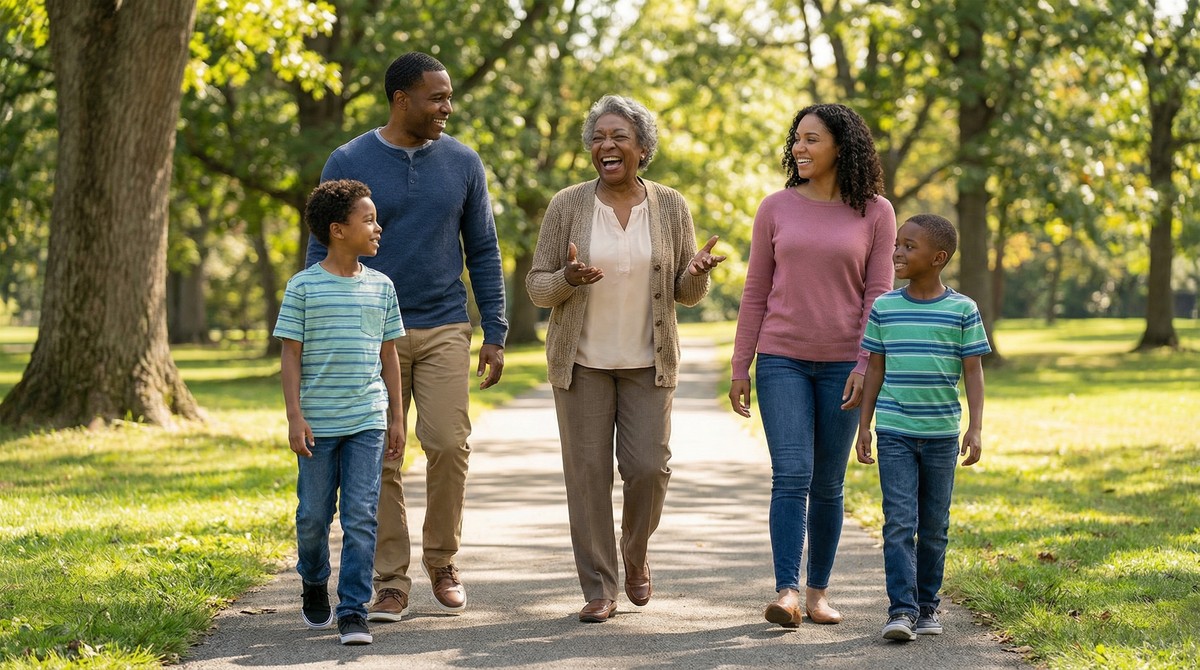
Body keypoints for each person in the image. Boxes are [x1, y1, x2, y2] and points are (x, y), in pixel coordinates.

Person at [307, 52, 508, 621]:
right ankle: (390, 579)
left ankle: (443, 559)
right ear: (402, 100)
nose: (448, 106)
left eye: (448, 96)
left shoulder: (463, 162)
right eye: (437, 97)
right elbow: (321, 245)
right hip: (367, 330)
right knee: (382, 458)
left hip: (444, 322)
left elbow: (484, 250)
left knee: (448, 442)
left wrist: (495, 327)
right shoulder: (349, 158)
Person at [526, 95, 726, 623]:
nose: (606, 146)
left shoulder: (670, 205)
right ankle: (599, 587)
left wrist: (699, 270)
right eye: (598, 137)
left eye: (618, 137)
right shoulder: (567, 204)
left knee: (647, 469)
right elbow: (538, 288)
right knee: (588, 474)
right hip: (582, 362)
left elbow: (684, 292)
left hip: (647, 362)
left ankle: (634, 551)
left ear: (642, 148)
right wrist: (568, 279)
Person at [729, 103, 896, 628]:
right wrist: (741, 365)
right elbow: (755, 290)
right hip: (782, 359)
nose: (799, 148)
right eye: (796, 139)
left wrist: (865, 362)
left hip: (846, 362)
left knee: (828, 482)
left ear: (841, 147)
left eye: (812, 139)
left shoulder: (876, 212)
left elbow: (879, 292)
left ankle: (818, 591)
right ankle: (787, 591)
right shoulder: (775, 207)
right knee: (792, 473)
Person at [275, 179, 406, 645]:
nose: (378, 227)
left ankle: (353, 609)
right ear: (337, 230)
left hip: (367, 420)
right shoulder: (304, 286)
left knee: (360, 515)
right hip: (317, 423)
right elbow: (290, 355)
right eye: (368, 220)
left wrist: (395, 417)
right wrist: (294, 416)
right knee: (312, 516)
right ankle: (313, 580)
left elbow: (389, 355)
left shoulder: (382, 286)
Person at [855, 213, 989, 641]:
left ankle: (928, 606)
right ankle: (901, 609)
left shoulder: (962, 310)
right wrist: (865, 425)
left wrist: (976, 427)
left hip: (941, 435)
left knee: (934, 525)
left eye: (910, 246)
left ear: (938, 257)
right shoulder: (885, 307)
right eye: (898, 244)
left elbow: (973, 373)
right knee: (898, 521)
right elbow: (874, 370)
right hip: (894, 430)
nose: (898, 251)